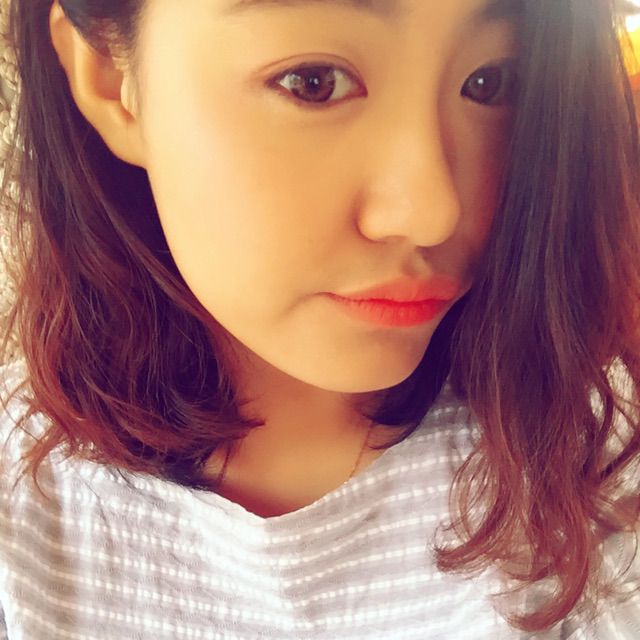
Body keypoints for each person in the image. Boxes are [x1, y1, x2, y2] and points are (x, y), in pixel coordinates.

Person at [0, 0, 638, 637]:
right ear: (111, 78)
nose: (431, 211)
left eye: (491, 82)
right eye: (313, 82)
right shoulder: (24, 511)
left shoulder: (590, 444)